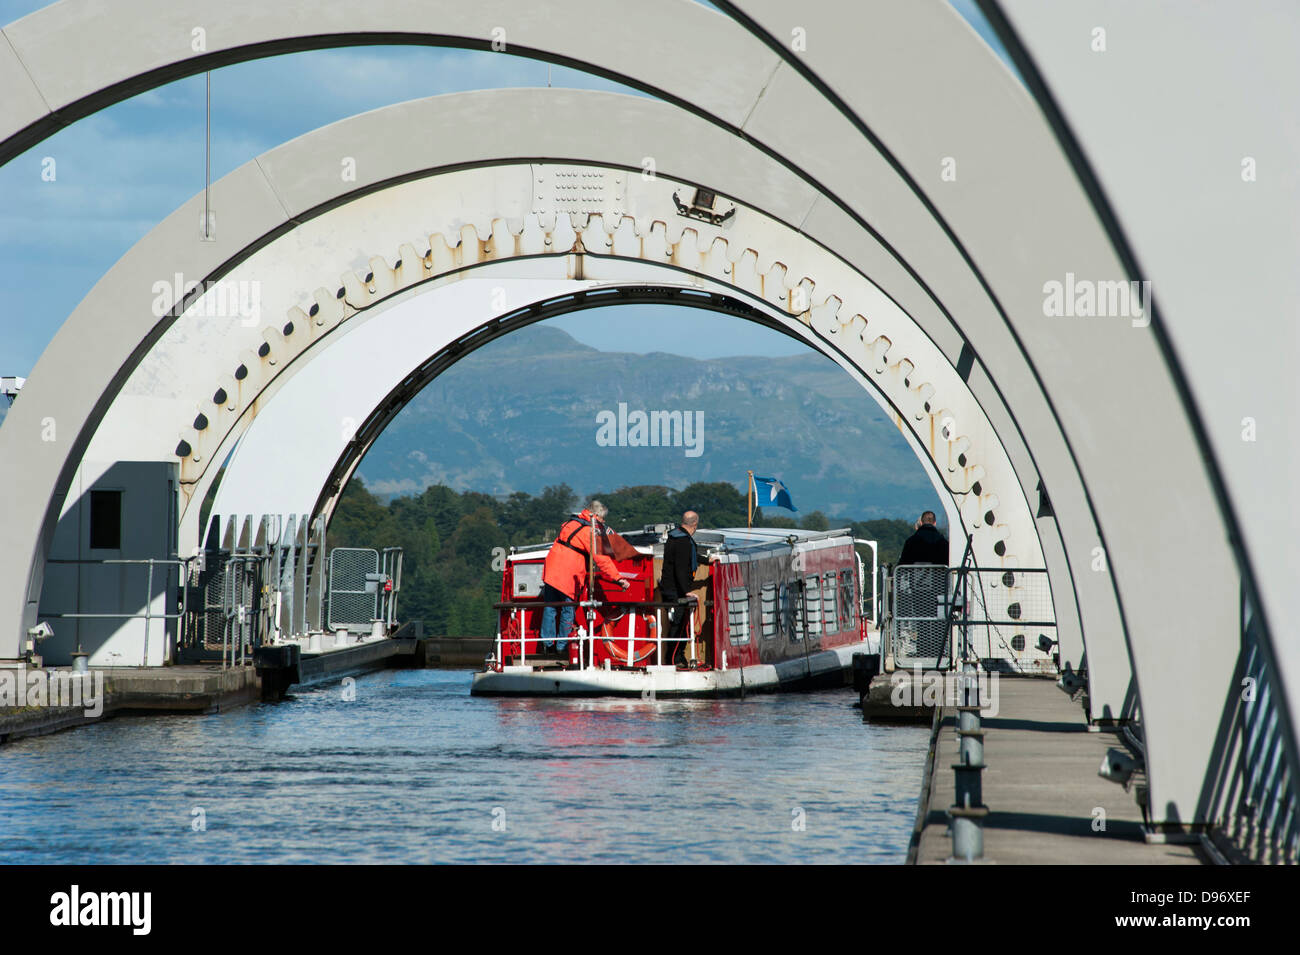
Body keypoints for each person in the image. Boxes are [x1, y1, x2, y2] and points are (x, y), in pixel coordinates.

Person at [540, 500, 629, 653]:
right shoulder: (589, 532)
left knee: (550, 608)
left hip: (552, 569)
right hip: (569, 573)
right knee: (568, 609)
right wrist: (618, 578)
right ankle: (562, 646)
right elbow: (601, 559)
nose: (603, 522)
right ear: (595, 516)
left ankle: (547, 644)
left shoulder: (570, 523)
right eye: (602, 519)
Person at [660, 510, 702, 667]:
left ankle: (677, 657)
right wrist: (686, 591)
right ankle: (674, 659)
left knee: (678, 624)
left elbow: (689, 558)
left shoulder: (674, 536)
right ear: (695, 524)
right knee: (679, 625)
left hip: (669, 588)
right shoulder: (683, 541)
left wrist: (707, 559)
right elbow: (680, 568)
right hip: (676, 591)